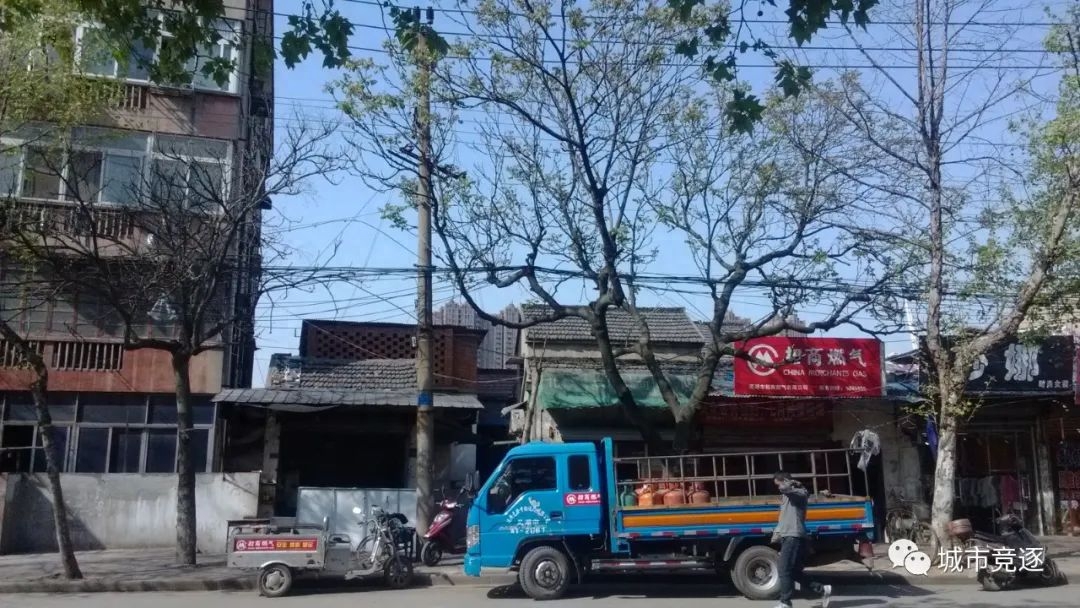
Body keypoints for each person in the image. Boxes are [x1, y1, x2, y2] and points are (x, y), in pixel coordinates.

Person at [771, 471, 831, 608]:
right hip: (788, 536)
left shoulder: (799, 493)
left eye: (778, 483)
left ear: (785, 480)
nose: (778, 488)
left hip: (794, 535)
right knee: (793, 572)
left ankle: (785, 603)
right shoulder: (789, 494)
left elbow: (784, 488)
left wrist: (791, 482)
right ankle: (822, 589)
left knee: (783, 569)